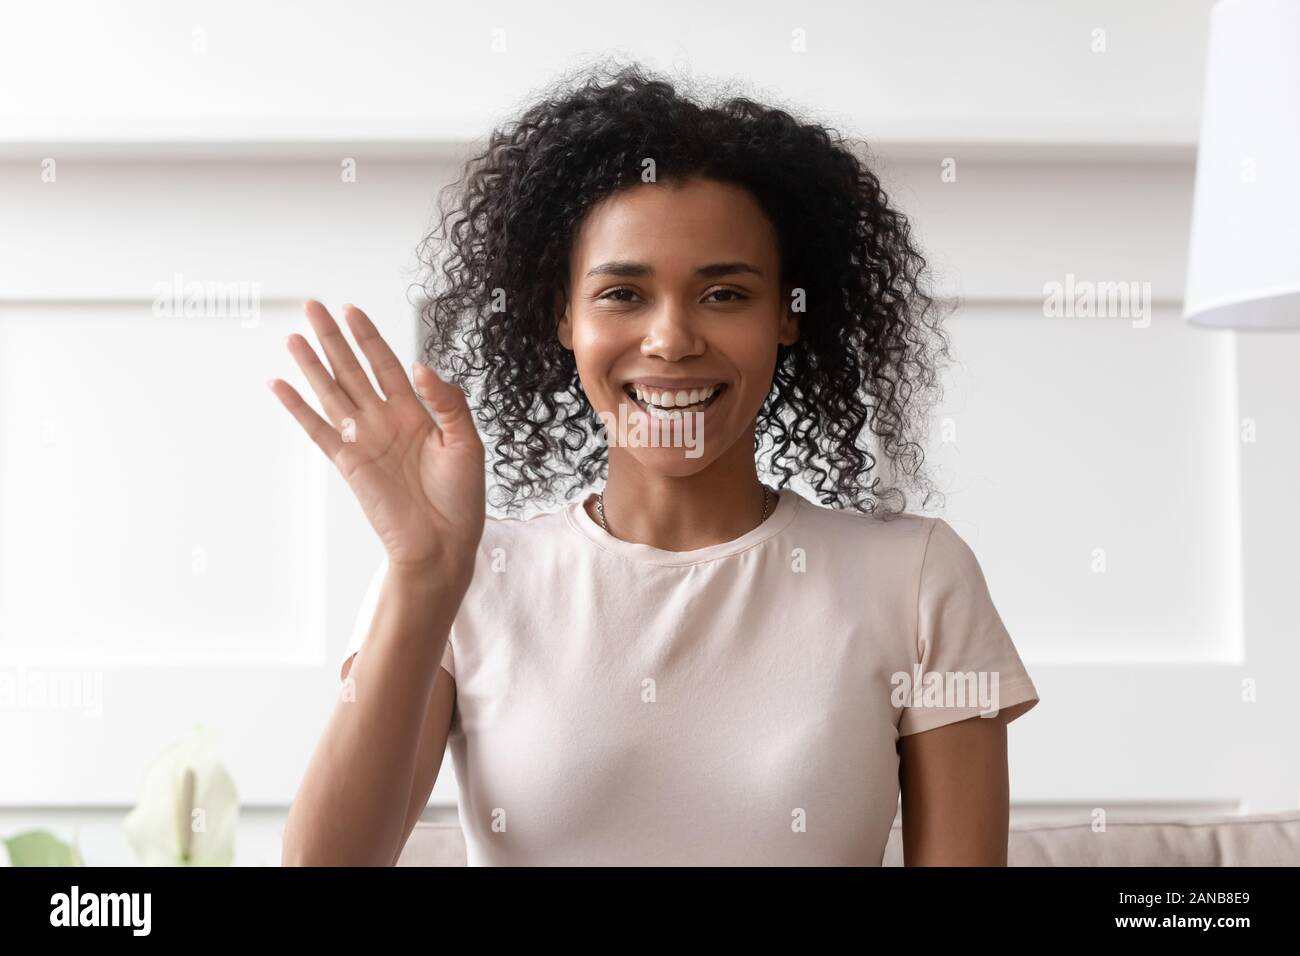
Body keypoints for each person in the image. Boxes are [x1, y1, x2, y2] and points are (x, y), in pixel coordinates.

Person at [275, 61, 1038, 866]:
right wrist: (425, 574)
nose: (671, 340)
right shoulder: (465, 577)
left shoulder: (918, 579)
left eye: (724, 295)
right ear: (563, 316)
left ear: (789, 314)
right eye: (622, 294)